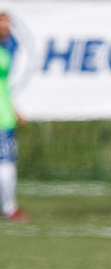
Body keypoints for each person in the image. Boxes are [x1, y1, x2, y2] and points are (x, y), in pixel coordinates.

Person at [0, 12, 28, 223]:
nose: (5, 28)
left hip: (5, 115)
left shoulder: (6, 51)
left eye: (8, 25)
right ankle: (9, 208)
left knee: (7, 163)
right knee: (6, 164)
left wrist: (13, 108)